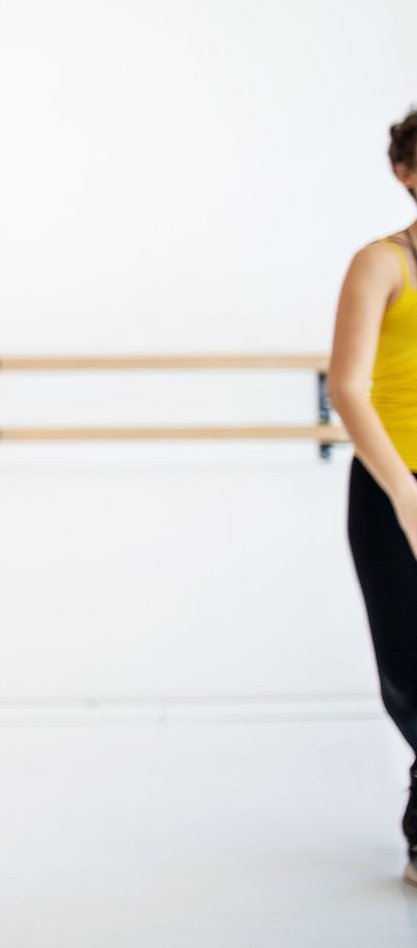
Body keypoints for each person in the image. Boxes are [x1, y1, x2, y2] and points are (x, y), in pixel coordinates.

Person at [327, 105, 417, 890]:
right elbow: (347, 389)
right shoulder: (382, 263)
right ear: (406, 172)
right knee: (411, 665)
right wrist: (406, 495)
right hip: (395, 483)